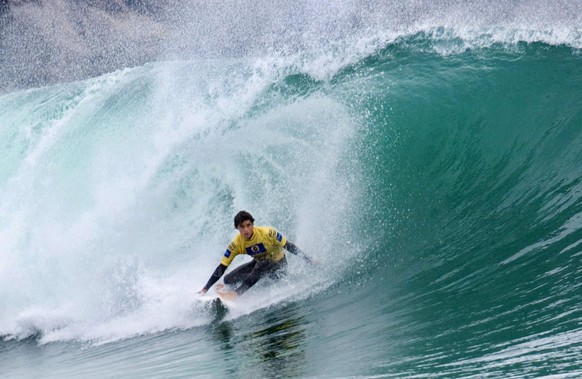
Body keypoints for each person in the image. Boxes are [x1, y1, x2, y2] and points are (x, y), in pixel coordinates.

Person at [198, 211, 312, 301]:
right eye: (242, 227)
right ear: (237, 228)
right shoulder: (236, 244)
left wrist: (308, 260)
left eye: (248, 225)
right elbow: (222, 267)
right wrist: (205, 288)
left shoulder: (268, 233)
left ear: (253, 224)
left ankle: (236, 294)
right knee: (227, 279)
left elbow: (289, 246)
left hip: (279, 268)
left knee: (262, 263)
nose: (246, 230)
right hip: (260, 263)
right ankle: (226, 289)